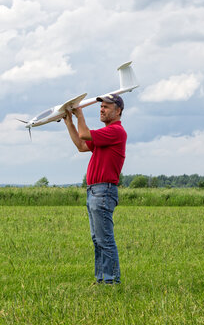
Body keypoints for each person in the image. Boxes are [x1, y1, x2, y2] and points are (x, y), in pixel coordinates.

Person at [64, 93, 126, 284]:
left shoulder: (116, 131)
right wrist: (69, 122)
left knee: (105, 239)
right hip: (94, 191)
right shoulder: (105, 133)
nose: (102, 109)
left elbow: (85, 134)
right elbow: (82, 145)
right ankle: (102, 279)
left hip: (103, 191)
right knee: (97, 239)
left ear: (118, 111)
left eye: (106, 107)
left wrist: (79, 114)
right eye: (101, 106)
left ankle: (111, 280)